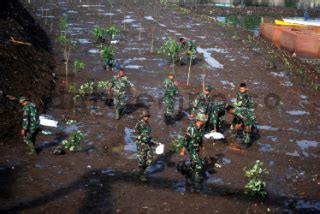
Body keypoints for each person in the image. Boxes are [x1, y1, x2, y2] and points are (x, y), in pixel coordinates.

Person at [184, 113, 207, 182]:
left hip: (196, 148)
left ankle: (188, 174)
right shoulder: (191, 128)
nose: (204, 121)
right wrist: (183, 149)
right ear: (200, 120)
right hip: (191, 148)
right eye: (203, 120)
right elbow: (186, 139)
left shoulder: (201, 129)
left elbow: (200, 138)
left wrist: (202, 145)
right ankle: (195, 179)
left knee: (194, 162)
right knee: (199, 164)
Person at [134, 110, 153, 182]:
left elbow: (148, 136)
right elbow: (135, 134)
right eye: (145, 116)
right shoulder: (139, 124)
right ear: (142, 117)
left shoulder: (148, 125)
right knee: (142, 162)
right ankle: (141, 175)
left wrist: (154, 141)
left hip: (147, 145)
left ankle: (141, 172)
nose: (146, 118)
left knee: (150, 160)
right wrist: (142, 138)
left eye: (147, 116)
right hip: (141, 145)